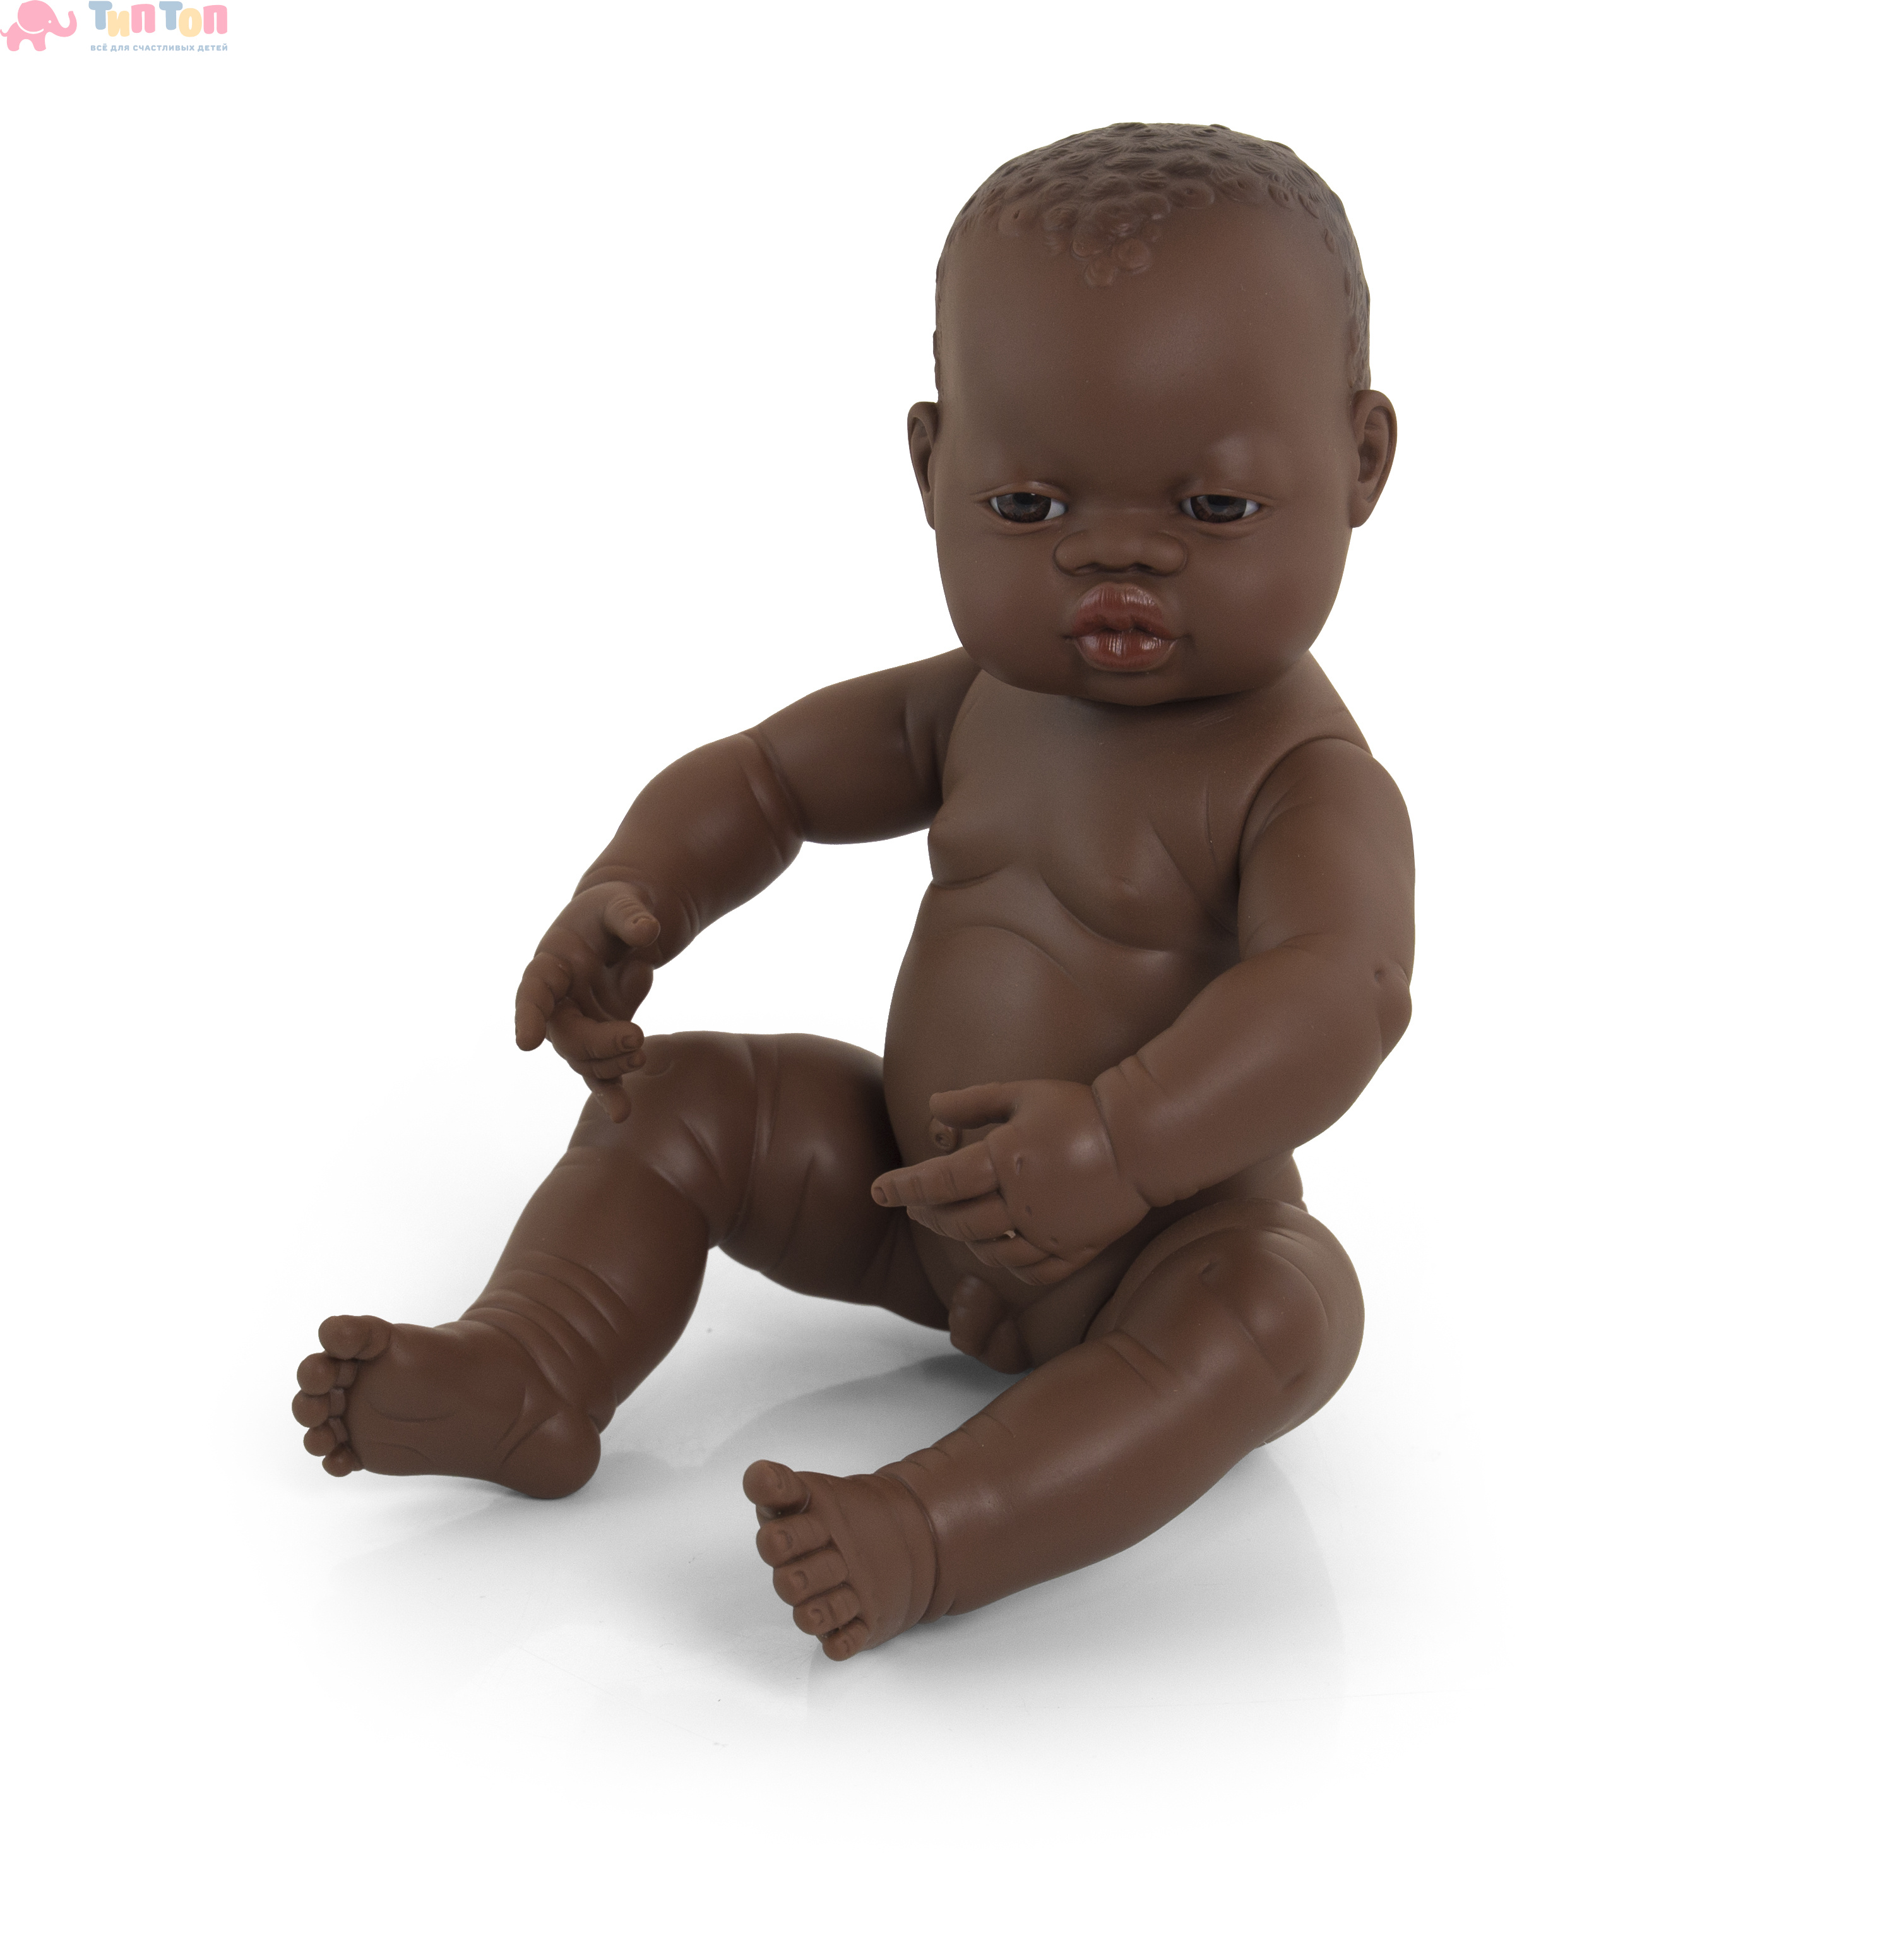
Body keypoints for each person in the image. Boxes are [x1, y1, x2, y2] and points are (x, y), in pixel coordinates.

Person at [292, 123, 1413, 1661]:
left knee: (1286, 1312)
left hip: (1157, 1244)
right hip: (906, 1197)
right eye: (1028, 508)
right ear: (931, 467)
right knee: (674, 1104)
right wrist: (638, 893)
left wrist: (1119, 1145)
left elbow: (1337, 994)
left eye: (1212, 510)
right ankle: (535, 1364)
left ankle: (932, 1527)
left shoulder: (1300, 778)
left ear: (1358, 464)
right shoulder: (979, 702)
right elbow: (768, 778)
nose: (1115, 562)